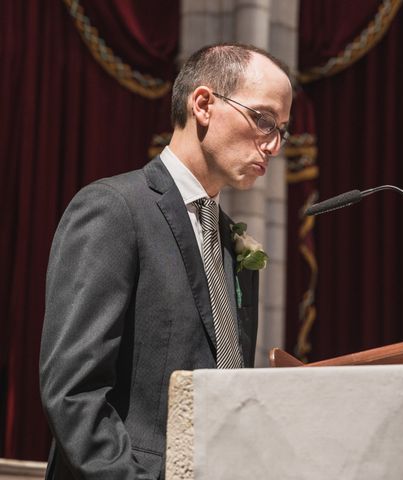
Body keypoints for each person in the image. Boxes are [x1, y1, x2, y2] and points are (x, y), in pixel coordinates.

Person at [39, 43, 293, 479]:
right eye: (264, 120)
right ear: (203, 105)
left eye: (282, 131)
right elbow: (74, 393)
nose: (273, 145)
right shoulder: (115, 209)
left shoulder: (231, 241)